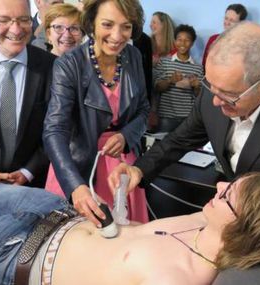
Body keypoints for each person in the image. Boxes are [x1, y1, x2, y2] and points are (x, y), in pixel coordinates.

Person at [109, 21, 260, 227]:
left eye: (229, 94)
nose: (215, 100)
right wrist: (139, 169)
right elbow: (179, 139)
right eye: (210, 85)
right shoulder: (214, 94)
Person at [0, 172, 260, 285]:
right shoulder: (204, 221)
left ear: (242, 226)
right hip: (54, 211)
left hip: (16, 254)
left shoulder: (175, 279)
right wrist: (110, 208)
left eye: (228, 195)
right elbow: (130, 232)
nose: (219, 185)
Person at [43, 0, 150, 225]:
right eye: (108, 24)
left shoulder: (134, 57)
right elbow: (54, 130)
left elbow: (143, 110)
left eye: (126, 26)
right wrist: (75, 186)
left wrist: (126, 135)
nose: (117, 35)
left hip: (121, 164)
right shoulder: (69, 65)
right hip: (77, 164)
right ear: (91, 23)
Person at [0, 0, 56, 187]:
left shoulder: (53, 67)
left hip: (34, 187)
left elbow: (58, 128)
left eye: (23, 19)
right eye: (4, 20)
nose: (16, 30)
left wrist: (28, 171)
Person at [154, 24, 204, 132]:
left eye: (187, 40)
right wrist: (170, 80)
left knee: (185, 148)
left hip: (187, 118)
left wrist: (196, 86)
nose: (182, 43)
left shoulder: (198, 68)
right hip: (166, 117)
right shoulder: (164, 62)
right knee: (163, 146)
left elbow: (199, 96)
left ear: (192, 43)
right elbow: (157, 88)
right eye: (179, 39)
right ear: (175, 41)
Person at [202, 3, 247, 67]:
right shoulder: (213, 39)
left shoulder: (244, 43)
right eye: (226, 18)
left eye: (232, 20)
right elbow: (204, 63)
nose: (227, 22)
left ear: (240, 23)